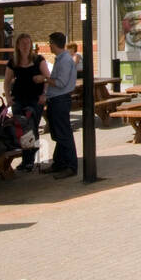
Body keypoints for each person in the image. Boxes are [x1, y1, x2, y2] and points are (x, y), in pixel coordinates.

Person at [4, 33, 49, 172]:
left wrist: (44, 94)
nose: (25, 45)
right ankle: (26, 159)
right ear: (17, 45)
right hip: (19, 99)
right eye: (22, 43)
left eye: (27, 43)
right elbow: (6, 81)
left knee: (31, 127)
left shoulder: (38, 60)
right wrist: (8, 97)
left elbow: (48, 78)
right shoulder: (13, 62)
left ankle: (30, 159)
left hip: (35, 99)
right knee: (21, 130)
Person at [44, 32, 78, 177]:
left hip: (60, 99)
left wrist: (45, 79)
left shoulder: (64, 60)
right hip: (56, 99)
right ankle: (59, 163)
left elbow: (61, 82)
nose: (48, 46)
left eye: (49, 43)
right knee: (59, 134)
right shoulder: (61, 59)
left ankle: (70, 166)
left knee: (64, 134)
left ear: (53, 43)